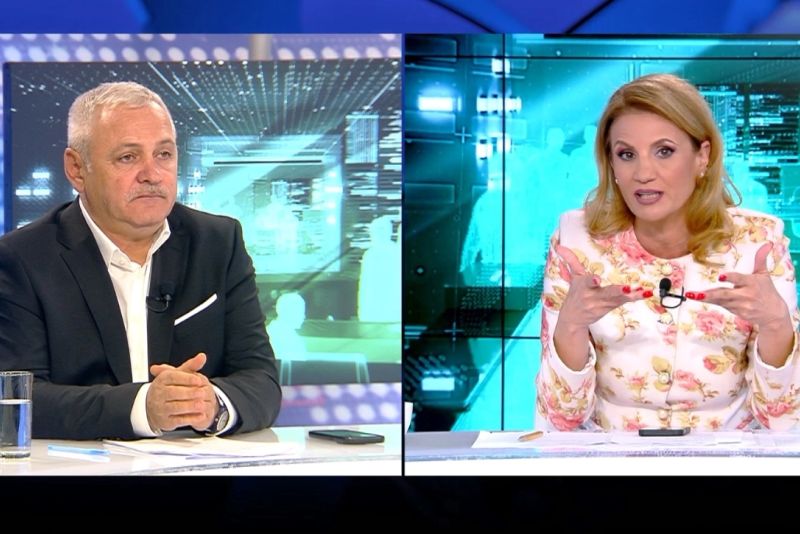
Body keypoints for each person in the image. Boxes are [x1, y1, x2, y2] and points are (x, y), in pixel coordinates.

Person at [0, 81, 282, 440]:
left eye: (163, 154)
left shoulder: (218, 243)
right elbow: (18, 397)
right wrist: (141, 408)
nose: (152, 174)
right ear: (77, 169)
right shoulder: (23, 259)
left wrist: (212, 404)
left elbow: (261, 380)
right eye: (128, 157)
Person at [535, 73, 800, 432]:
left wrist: (777, 326)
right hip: (609, 457)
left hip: (729, 456)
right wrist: (569, 328)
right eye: (626, 154)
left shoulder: (758, 243)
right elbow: (560, 418)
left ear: (702, 156)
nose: (643, 173)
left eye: (664, 151)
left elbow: (782, 420)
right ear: (611, 164)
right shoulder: (576, 242)